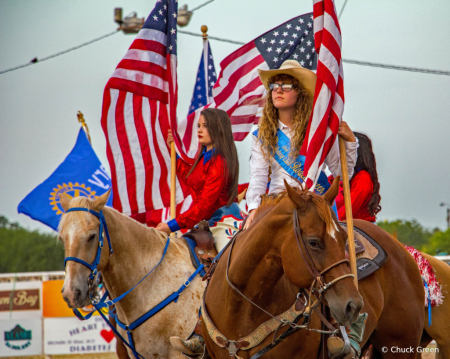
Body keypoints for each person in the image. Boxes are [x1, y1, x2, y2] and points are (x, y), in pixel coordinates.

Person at [244, 59, 358, 229]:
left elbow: (343, 173)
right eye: (274, 86)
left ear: (300, 93)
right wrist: (253, 209)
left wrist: (350, 141)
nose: (278, 90)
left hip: (315, 207)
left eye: (286, 86)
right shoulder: (261, 135)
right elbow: (258, 177)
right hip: (277, 206)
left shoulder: (320, 131)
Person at [155, 108, 240, 235]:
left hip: (225, 223)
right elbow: (189, 176)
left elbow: (204, 205)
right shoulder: (204, 158)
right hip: (207, 223)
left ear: (218, 128)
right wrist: (173, 149)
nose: (199, 130)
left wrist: (172, 225)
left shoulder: (220, 162)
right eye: (199, 126)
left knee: (228, 255)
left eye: (205, 126)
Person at [332, 132, 381, 223]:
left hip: (358, 229)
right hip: (338, 226)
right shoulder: (339, 177)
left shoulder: (363, 178)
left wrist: (326, 221)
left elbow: (347, 211)